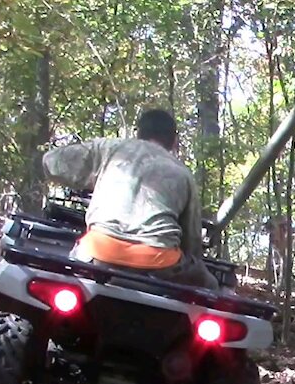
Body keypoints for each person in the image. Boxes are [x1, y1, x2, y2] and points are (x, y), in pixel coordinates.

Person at [42, 109, 219, 291]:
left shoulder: (110, 149)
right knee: (211, 286)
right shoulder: (183, 174)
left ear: (138, 133)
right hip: (159, 264)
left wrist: (90, 180)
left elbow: (52, 161)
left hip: (98, 253)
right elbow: (192, 241)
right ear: (174, 142)